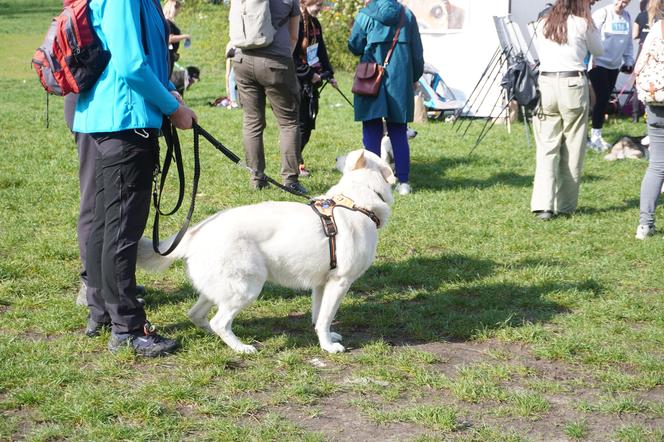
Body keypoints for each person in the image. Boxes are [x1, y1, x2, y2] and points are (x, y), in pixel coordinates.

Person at [73, 0, 197, 356]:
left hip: (113, 120)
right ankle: (127, 326)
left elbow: (142, 59)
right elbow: (129, 65)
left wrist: (166, 93)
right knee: (120, 231)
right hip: (126, 122)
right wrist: (174, 109)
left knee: (105, 224)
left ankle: (103, 313)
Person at [530, 0, 603, 221]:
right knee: (573, 145)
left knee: (547, 146)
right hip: (573, 83)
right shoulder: (583, 23)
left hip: (546, 83)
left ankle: (543, 205)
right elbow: (598, 50)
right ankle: (566, 204)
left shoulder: (543, 22)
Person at [232, 0, 308, 195]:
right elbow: (293, 36)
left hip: (241, 59)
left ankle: (256, 178)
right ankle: (290, 180)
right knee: (289, 122)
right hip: (276, 61)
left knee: (252, 121)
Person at [348, 0, 424, 195]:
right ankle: (404, 183)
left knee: (372, 131)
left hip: (371, 78)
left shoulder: (366, 14)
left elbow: (354, 46)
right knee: (398, 132)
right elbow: (417, 54)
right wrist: (413, 78)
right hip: (400, 80)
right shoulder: (407, 15)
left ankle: (373, 181)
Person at [293, 0, 336, 177]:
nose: (320, 8)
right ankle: (293, 163)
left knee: (309, 125)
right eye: (317, 4)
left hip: (312, 81)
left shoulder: (315, 23)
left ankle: (296, 159)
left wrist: (329, 73)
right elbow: (292, 56)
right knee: (300, 125)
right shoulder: (295, 22)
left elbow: (321, 51)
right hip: (296, 81)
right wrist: (308, 74)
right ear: (306, 3)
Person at [587, 0, 635, 152]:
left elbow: (628, 42)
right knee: (601, 98)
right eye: (620, 1)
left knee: (605, 99)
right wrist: (591, 58)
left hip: (614, 65)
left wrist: (628, 60)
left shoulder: (627, 16)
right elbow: (590, 36)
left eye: (626, 2)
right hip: (598, 62)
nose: (622, 4)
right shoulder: (603, 13)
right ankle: (595, 136)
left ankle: (596, 134)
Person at [634, 1, 664, 239]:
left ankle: (645, 225)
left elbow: (638, 66)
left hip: (655, 103)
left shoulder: (656, 29)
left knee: (656, 166)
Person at [163, 0, 191, 77]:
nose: (178, 13)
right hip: (168, 54)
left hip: (171, 54)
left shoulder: (168, 22)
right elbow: (170, 38)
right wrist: (185, 36)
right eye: (177, 10)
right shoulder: (167, 22)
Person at [225, 42, 239, 109]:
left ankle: (233, 102)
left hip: (238, 63)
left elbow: (228, 71)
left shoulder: (230, 44)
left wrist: (227, 87)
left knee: (231, 79)